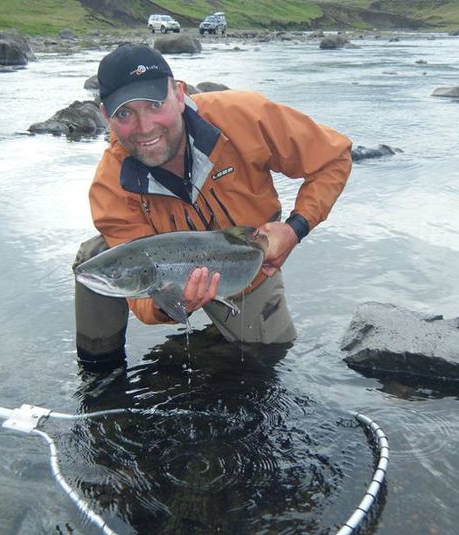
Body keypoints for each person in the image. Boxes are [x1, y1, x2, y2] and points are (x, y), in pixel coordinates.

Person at [73, 44, 352, 369]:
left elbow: (333, 158)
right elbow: (144, 305)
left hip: (250, 269)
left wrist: (295, 228)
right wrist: (172, 305)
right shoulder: (110, 185)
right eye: (124, 113)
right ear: (106, 117)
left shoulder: (244, 116)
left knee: (272, 358)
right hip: (169, 280)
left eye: (154, 104)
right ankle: (100, 373)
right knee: (94, 258)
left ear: (179, 94)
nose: (145, 126)